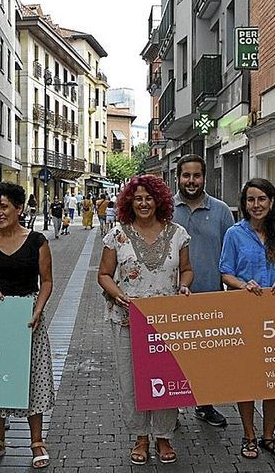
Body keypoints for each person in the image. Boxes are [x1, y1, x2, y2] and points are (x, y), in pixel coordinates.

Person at [97, 175, 193, 465]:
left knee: (167, 378)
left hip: (167, 321)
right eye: (137, 198)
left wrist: (185, 286)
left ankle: (163, 436)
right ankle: (140, 436)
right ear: (129, 201)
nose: (143, 203)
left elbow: (187, 269)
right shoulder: (117, 235)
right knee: (132, 381)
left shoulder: (178, 234)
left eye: (149, 197)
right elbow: (103, 275)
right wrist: (119, 295)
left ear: (159, 201)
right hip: (127, 320)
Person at [0, 182, 54, 469]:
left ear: (19, 208)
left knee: (33, 377)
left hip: (28, 315)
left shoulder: (37, 241)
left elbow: (47, 281)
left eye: (4, 206)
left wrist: (39, 310)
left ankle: (36, 440)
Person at [220, 178, 275, 461]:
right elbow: (226, 272)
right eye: (251, 200)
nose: (256, 205)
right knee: (247, 378)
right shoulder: (234, 233)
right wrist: (243, 285)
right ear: (244, 204)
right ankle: (248, 435)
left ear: (272, 202)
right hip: (245, 313)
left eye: (262, 199)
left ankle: (269, 435)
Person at [171, 155, 235, 428]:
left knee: (207, 358)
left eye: (197, 175)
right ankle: (169, 412)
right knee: (171, 357)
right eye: (186, 176)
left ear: (204, 178)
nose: (192, 181)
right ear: (178, 178)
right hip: (171, 298)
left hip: (210, 296)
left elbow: (232, 254)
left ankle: (205, 405)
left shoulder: (221, 211)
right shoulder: (166, 210)